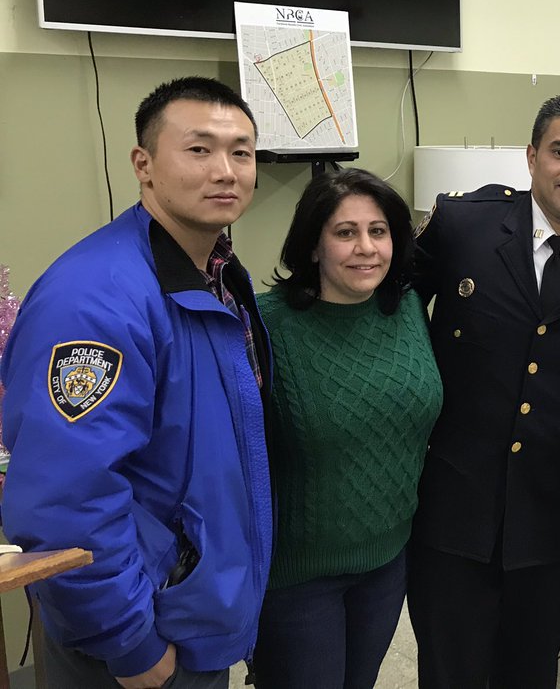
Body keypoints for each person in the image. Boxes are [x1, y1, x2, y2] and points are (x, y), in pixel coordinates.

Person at [0, 77, 271, 689]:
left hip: (188, 611)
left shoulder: (215, 273)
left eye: (242, 151)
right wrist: (130, 644)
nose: (225, 170)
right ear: (143, 165)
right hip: (137, 637)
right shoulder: (94, 300)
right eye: (199, 149)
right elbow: (64, 499)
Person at [407, 92, 560, 689]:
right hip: (453, 508)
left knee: (530, 672)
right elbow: (395, 313)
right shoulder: (464, 226)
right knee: (449, 672)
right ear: (531, 156)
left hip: (552, 516)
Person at [252, 169, 443, 689]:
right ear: (313, 247)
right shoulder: (266, 326)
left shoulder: (407, 308)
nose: (366, 248)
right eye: (345, 232)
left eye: (378, 231)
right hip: (298, 576)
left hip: (388, 561)